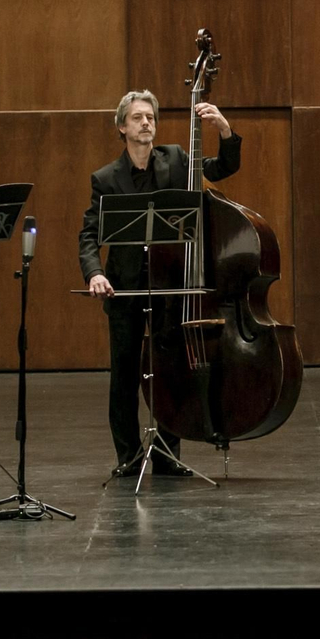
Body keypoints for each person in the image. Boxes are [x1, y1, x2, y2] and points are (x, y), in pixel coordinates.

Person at [79, 89, 241, 478]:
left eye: (150, 116)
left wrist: (225, 130)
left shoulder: (177, 159)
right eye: (137, 117)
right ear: (122, 127)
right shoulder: (105, 178)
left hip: (172, 286)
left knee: (172, 372)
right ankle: (128, 456)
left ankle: (168, 454)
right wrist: (95, 272)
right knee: (124, 375)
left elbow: (221, 169)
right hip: (126, 288)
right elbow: (89, 234)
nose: (146, 123)